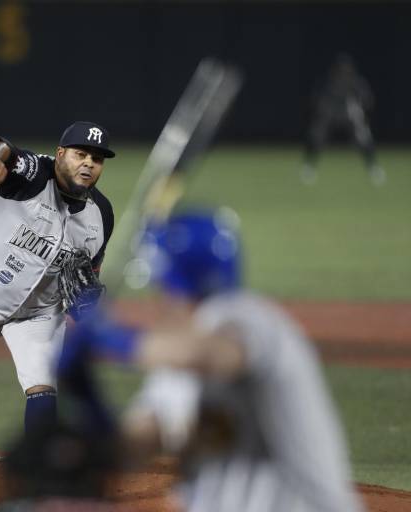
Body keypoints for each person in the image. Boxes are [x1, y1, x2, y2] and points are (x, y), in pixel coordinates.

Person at [58, 208, 364, 511]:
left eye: (162, 287)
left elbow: (214, 356)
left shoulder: (248, 318)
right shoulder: (175, 371)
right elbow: (127, 452)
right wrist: (84, 392)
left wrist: (116, 340)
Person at [0, 121, 116, 463]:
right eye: (81, 154)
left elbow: (90, 272)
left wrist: (88, 301)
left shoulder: (100, 214)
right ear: (61, 154)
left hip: (40, 314)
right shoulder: (34, 176)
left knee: (43, 388)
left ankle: (38, 478)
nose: (89, 163)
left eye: (97, 158)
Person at [301, 54, 385, 186]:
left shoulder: (357, 82)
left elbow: (368, 100)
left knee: (363, 136)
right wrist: (324, 108)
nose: (344, 72)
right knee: (317, 134)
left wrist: (360, 110)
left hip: (349, 114)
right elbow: (317, 99)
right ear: (336, 70)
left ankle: (373, 169)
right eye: (341, 69)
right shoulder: (328, 82)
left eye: (346, 69)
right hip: (332, 113)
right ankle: (308, 167)